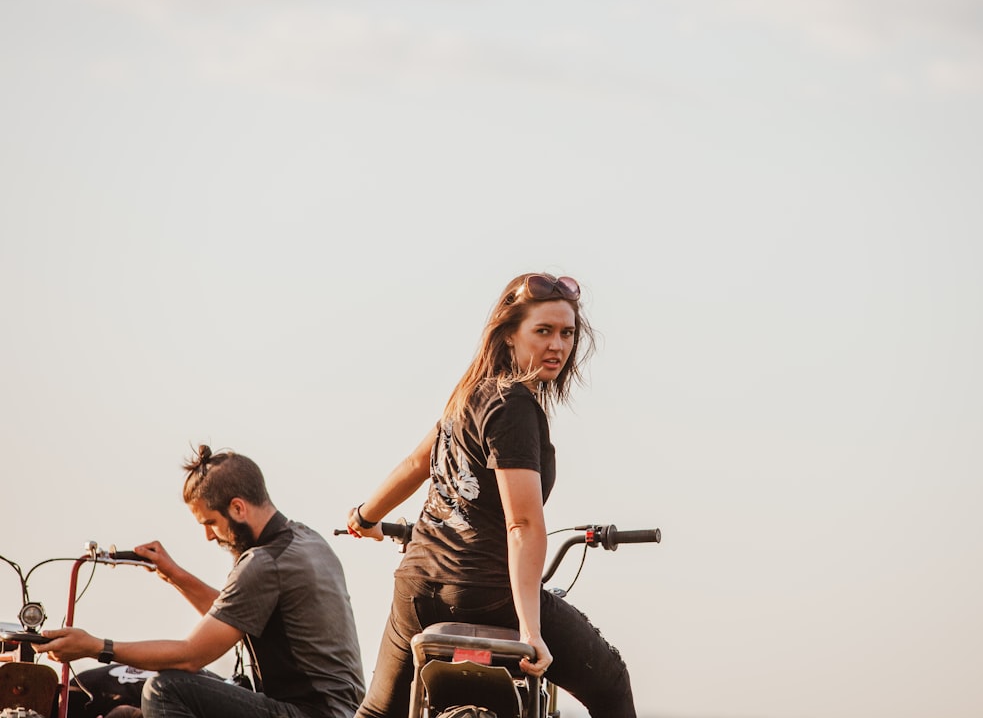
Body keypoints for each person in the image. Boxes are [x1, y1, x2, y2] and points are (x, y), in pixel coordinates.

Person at [345, 272, 637, 718]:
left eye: (567, 333)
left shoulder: (467, 396)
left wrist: (364, 517)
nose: (557, 345)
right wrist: (530, 629)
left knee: (376, 712)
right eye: (543, 331)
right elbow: (522, 524)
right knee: (611, 680)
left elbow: (414, 465)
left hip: (417, 591)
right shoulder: (515, 404)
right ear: (509, 336)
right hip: (486, 591)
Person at [36, 445, 366, 718]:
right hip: (340, 710)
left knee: (165, 688)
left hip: (311, 713)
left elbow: (190, 655)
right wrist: (175, 576)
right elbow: (235, 615)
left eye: (211, 522)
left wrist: (95, 647)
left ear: (238, 507)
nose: (209, 536)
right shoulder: (306, 540)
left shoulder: (263, 563)